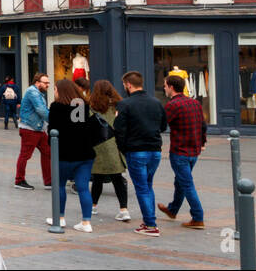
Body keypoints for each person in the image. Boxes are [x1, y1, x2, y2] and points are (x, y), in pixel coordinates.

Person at [114, 71, 168, 237]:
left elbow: (119, 130)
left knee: (142, 188)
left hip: (136, 151)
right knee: (147, 185)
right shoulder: (156, 102)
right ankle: (149, 220)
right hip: (154, 151)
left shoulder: (125, 104)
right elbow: (164, 126)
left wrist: (124, 148)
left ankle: (151, 225)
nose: (124, 87)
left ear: (128, 85)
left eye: (124, 85)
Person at [45, 79, 100, 232]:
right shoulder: (82, 105)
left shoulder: (56, 107)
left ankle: (60, 218)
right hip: (84, 154)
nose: (54, 92)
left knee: (60, 185)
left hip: (63, 154)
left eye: (55, 89)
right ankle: (86, 222)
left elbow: (52, 131)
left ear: (60, 91)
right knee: (83, 188)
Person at [159, 75, 207, 230]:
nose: (164, 88)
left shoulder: (173, 105)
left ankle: (198, 217)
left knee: (186, 184)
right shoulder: (195, 103)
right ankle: (173, 210)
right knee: (180, 181)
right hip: (194, 151)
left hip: (180, 151)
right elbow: (203, 125)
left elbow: (161, 125)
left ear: (171, 87)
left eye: (165, 86)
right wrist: (202, 142)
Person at [88, 80, 131, 222]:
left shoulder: (92, 106)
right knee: (117, 179)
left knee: (97, 178)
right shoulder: (119, 105)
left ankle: (93, 206)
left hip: (98, 145)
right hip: (114, 146)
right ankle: (123, 209)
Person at [15, 73, 52, 191]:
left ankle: (49, 181)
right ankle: (19, 180)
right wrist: (54, 120)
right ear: (37, 82)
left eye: (48, 83)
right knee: (25, 155)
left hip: (38, 129)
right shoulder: (33, 92)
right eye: (45, 83)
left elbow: (43, 110)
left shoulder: (39, 93)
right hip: (30, 129)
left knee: (48, 152)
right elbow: (41, 110)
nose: (48, 85)